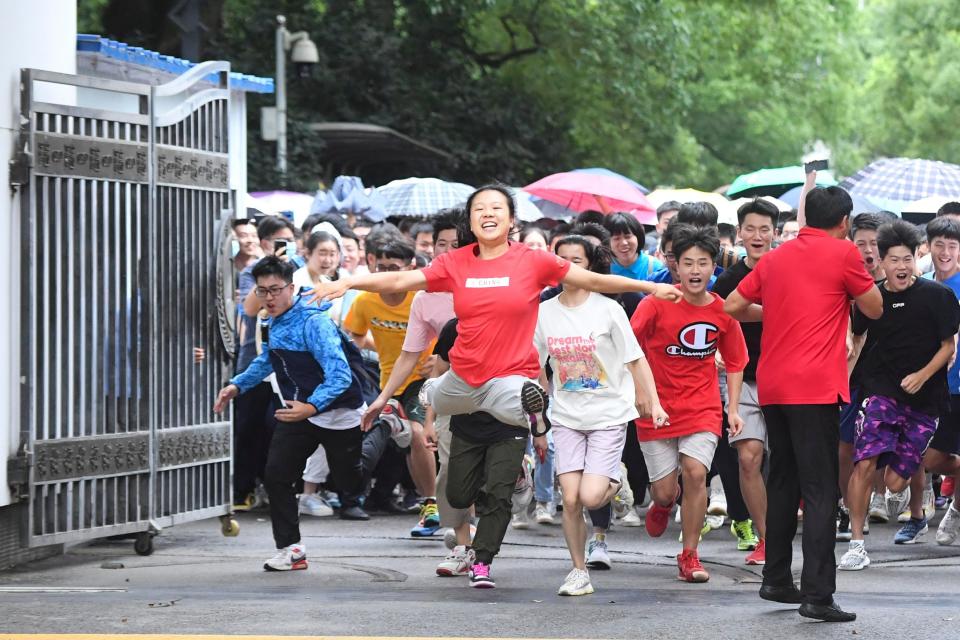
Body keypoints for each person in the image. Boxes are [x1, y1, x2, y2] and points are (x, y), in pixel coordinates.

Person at [310, 184, 681, 438]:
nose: (487, 214)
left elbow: (594, 280)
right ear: (470, 221)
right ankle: (434, 396)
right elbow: (398, 282)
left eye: (496, 208)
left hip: (510, 378)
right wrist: (348, 283)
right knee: (436, 396)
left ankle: (531, 416)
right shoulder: (454, 263)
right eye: (479, 209)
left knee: (514, 396)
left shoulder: (534, 260)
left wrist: (651, 287)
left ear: (511, 221)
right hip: (462, 375)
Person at [725, 185, 882, 623]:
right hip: (815, 387)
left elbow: (734, 304)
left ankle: (775, 578)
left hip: (774, 384)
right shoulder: (844, 254)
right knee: (819, 491)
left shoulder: (776, 257)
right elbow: (875, 307)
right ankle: (817, 593)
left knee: (783, 483)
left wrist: (777, 310)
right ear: (844, 221)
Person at [213, 257, 369, 572]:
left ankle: (382, 427)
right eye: (262, 291)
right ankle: (291, 549)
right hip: (299, 413)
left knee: (350, 482)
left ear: (292, 288)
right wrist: (237, 386)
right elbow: (268, 359)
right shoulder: (273, 321)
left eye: (275, 290)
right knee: (277, 475)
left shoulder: (314, 322)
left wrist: (311, 406)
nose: (268, 298)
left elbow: (340, 376)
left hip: (338, 412)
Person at [534, 235, 665, 596]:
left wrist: (652, 402)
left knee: (591, 497)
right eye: (562, 259)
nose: (569, 266)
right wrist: (536, 403)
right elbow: (535, 362)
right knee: (570, 499)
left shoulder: (608, 309)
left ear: (589, 264)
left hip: (608, 413)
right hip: (566, 416)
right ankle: (578, 572)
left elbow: (635, 358)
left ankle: (615, 481)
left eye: (576, 259)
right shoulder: (544, 312)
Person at [631, 224, 748, 584]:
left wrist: (733, 409)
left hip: (702, 407)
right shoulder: (654, 303)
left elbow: (736, 361)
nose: (696, 270)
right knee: (665, 489)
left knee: (697, 473)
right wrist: (640, 393)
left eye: (703, 262)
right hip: (656, 408)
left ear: (715, 267)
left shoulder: (723, 310)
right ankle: (664, 504)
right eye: (688, 263)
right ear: (675, 267)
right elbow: (628, 348)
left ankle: (690, 554)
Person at [840, 221, 959, 570]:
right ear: (882, 260)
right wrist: (843, 381)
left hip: (925, 398)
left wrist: (922, 376)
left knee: (893, 483)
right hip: (881, 391)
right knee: (864, 462)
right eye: (894, 260)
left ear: (916, 258)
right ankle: (858, 544)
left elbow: (947, 347)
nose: (902, 267)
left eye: (908, 259)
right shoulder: (871, 298)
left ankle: (904, 488)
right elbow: (857, 339)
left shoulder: (938, 296)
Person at [433, 317, 544, 589]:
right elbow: (440, 374)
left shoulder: (518, 327)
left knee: (498, 494)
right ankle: (517, 474)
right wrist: (429, 419)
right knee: (458, 495)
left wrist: (539, 429)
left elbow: (536, 378)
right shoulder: (456, 327)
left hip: (509, 425)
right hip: (466, 423)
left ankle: (482, 561)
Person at [342, 239, 439, 536]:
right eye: (380, 267)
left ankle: (432, 504)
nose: (385, 274)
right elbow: (354, 337)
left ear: (409, 268)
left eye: (392, 268)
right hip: (390, 382)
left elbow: (451, 330)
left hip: (425, 381)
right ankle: (429, 503)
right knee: (411, 439)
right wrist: (378, 348)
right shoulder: (364, 301)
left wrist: (439, 358)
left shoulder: (422, 298)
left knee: (419, 436)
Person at [712, 198, 778, 566]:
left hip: (786, 380)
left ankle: (781, 532)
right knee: (749, 459)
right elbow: (720, 319)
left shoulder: (787, 270)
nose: (757, 235)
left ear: (775, 233)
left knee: (784, 462)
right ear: (740, 233)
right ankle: (767, 538)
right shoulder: (728, 280)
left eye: (764, 229)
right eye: (750, 228)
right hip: (745, 380)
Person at [232, 215, 296, 510]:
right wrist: (269, 275)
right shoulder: (252, 273)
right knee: (247, 429)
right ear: (264, 242)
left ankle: (277, 489)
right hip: (253, 365)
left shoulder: (299, 275)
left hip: (287, 369)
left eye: (289, 241)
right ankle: (242, 490)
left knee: (277, 428)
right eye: (277, 241)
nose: (284, 247)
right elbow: (248, 307)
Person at [920, 217, 960, 546]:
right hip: (933, 386)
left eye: (952, 245)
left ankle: (955, 511)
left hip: (959, 384)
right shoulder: (921, 284)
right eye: (939, 245)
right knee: (930, 459)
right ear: (928, 246)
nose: (945, 252)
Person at [603, 212, 662, 281]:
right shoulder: (603, 267)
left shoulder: (655, 267)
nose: (624, 243)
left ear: (638, 237)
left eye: (628, 237)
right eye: (617, 238)